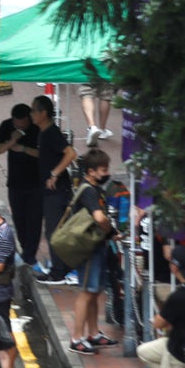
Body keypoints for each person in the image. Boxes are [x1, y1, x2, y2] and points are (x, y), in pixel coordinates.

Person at [66, 148, 121, 355]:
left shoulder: (93, 188)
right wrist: (110, 229)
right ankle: (77, 338)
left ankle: (93, 333)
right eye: (103, 169)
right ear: (90, 171)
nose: (106, 173)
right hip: (89, 250)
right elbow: (99, 218)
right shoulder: (89, 191)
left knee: (94, 291)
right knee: (87, 292)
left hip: (96, 247)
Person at [32, 95, 78, 282]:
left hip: (57, 192)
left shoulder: (52, 132)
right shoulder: (42, 132)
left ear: (43, 113)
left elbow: (71, 153)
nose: (31, 114)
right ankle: (61, 267)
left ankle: (59, 272)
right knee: (53, 229)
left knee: (54, 231)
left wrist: (54, 174)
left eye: (34, 110)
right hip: (48, 191)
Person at [0, 103, 41, 266]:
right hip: (15, 182)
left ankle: (30, 254)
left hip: (36, 182)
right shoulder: (6, 126)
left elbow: (42, 154)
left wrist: (23, 149)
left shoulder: (36, 128)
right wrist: (12, 140)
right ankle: (26, 249)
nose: (20, 125)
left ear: (29, 119)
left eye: (23, 122)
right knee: (19, 219)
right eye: (17, 122)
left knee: (34, 220)